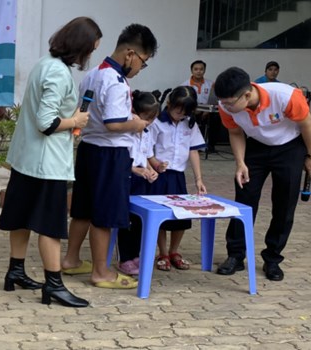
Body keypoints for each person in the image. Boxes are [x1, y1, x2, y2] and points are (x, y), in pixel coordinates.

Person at [0, 17, 102, 308]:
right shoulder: (58, 72)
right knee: (49, 226)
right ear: (81, 46)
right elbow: (47, 122)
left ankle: (16, 270)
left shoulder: (45, 63)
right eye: (91, 49)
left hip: (27, 158)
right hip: (46, 163)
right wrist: (76, 120)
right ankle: (53, 285)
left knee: (21, 217)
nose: (90, 54)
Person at [62, 23, 158, 290]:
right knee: (104, 215)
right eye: (142, 62)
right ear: (130, 54)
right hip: (111, 154)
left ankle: (71, 259)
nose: (140, 68)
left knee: (83, 210)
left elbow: (85, 111)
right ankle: (101, 272)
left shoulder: (93, 74)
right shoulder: (115, 81)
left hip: (89, 149)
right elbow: (114, 124)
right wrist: (136, 124)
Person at [213, 67, 311, 282]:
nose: (225, 107)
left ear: (247, 95)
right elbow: (235, 132)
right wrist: (240, 163)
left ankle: (272, 258)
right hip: (256, 147)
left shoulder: (285, 96)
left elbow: (307, 123)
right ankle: (236, 255)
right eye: (223, 102)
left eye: (230, 103)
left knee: (284, 204)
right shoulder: (226, 105)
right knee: (244, 199)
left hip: (289, 147)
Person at [147, 86, 208, 271]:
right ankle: (163, 252)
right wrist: (154, 165)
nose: (180, 114)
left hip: (178, 176)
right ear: (169, 103)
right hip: (159, 176)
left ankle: (174, 251)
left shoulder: (189, 123)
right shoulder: (157, 122)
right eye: (178, 109)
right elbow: (146, 149)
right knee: (160, 216)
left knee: (181, 215)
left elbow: (193, 151)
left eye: (185, 111)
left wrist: (198, 179)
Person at [116, 90, 160, 276]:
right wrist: (136, 170)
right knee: (126, 220)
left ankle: (136, 255)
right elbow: (122, 161)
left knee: (139, 220)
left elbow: (146, 156)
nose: (148, 122)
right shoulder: (126, 133)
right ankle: (125, 257)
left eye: (152, 119)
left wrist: (151, 169)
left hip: (142, 181)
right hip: (127, 178)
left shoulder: (147, 133)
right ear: (134, 113)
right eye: (146, 118)